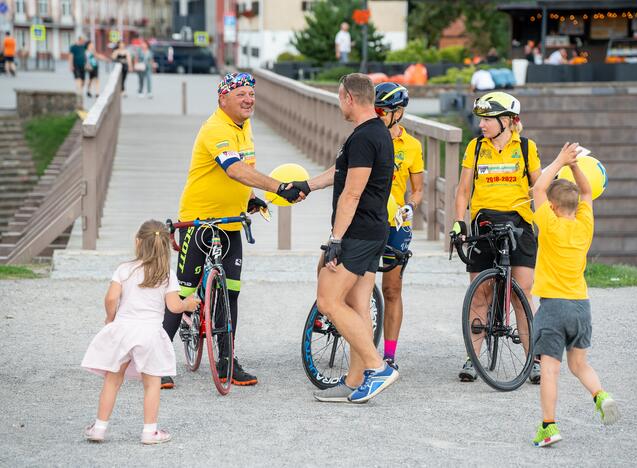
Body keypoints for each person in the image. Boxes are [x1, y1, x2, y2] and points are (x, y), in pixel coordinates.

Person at [160, 72, 306, 390]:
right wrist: (279, 187)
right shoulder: (215, 128)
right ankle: (156, 361)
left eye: (251, 94)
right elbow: (234, 169)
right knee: (183, 292)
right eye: (240, 94)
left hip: (230, 222)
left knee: (232, 292)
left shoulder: (245, 126)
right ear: (222, 98)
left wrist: (251, 198)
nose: (248, 99)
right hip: (199, 222)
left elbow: (244, 173)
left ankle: (227, 358)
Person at [293, 73, 399, 403]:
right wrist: (307, 186)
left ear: (349, 98)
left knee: (328, 300)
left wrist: (336, 239)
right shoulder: (373, 133)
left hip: (357, 233)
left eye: (340, 98)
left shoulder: (366, 137)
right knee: (357, 305)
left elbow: (351, 194)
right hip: (372, 230)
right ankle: (355, 381)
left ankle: (377, 366)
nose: (339, 105)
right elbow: (342, 173)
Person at [530, 143, 621, 447]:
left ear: (552, 208)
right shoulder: (585, 224)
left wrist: (559, 161)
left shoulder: (549, 225)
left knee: (550, 370)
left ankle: (548, 426)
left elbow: (539, 187)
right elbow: (586, 192)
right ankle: (601, 395)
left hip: (553, 307)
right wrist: (578, 166)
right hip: (581, 306)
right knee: (579, 364)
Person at [81, 220, 201, 444]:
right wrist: (188, 305)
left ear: (138, 242)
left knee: (112, 379)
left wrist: (110, 317)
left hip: (124, 329)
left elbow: (110, 298)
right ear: (165, 246)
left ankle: (99, 427)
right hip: (150, 333)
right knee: (152, 383)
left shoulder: (124, 269)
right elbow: (174, 307)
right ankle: (150, 432)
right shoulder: (167, 275)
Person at [452, 91, 542, 384]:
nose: (481, 125)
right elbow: (463, 190)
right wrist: (458, 223)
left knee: (522, 293)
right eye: (481, 119)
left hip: (519, 223)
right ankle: (473, 357)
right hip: (484, 221)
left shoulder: (526, 148)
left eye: (487, 119)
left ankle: (534, 359)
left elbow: (539, 187)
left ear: (507, 120)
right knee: (480, 293)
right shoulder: (475, 147)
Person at [372, 82, 424, 369]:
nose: (378, 114)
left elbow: (418, 190)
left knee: (392, 289)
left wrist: (410, 206)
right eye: (375, 109)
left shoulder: (413, 145)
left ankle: (389, 355)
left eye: (384, 110)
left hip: (396, 220)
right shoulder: (366, 135)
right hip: (368, 217)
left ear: (399, 112)